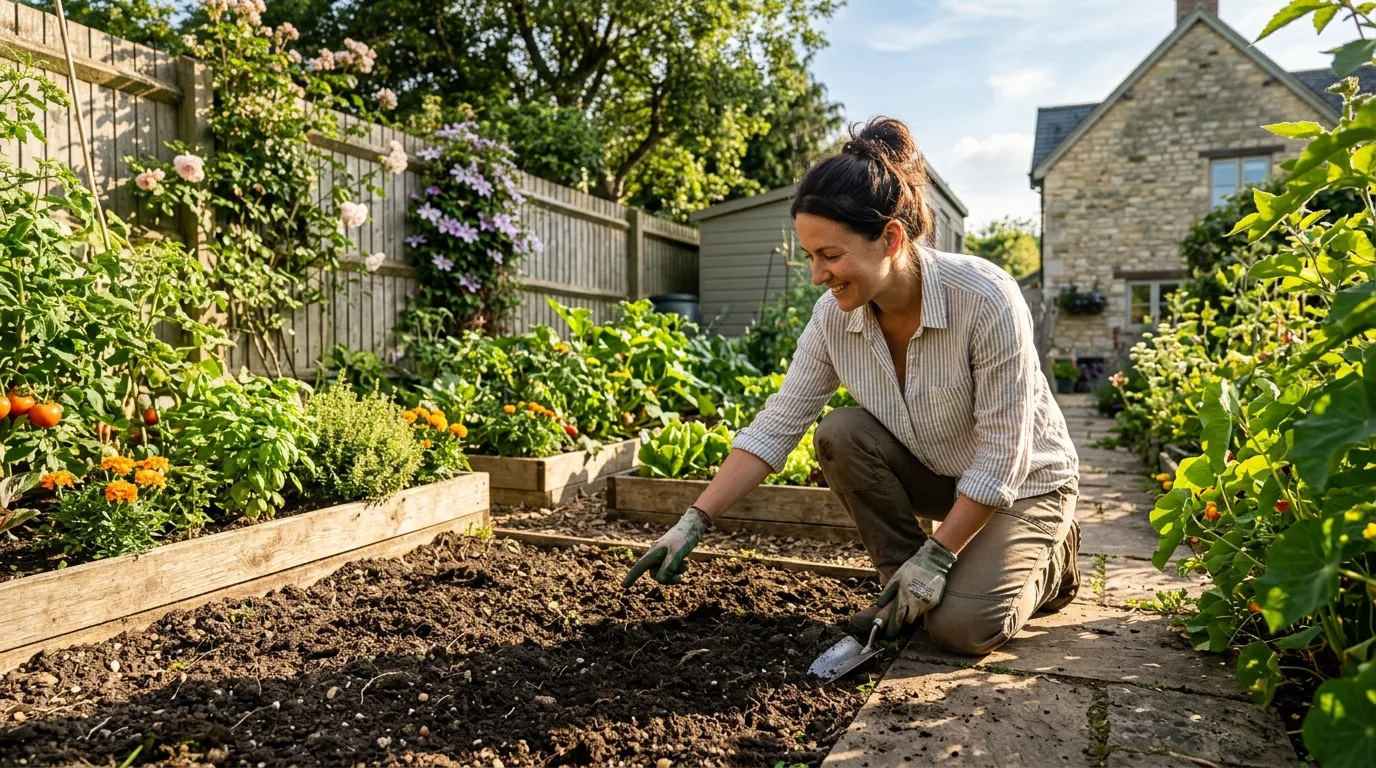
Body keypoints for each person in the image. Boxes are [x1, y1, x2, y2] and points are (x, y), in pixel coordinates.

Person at [620, 116, 1081, 656]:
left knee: (961, 630)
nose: (817, 274)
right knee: (841, 432)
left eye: (831, 256)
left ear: (890, 238)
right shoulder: (834, 318)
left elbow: (1005, 453)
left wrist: (939, 556)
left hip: (1027, 484)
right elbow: (779, 422)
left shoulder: (983, 297)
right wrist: (693, 520)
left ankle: (1053, 559)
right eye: (810, 256)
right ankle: (905, 585)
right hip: (948, 478)